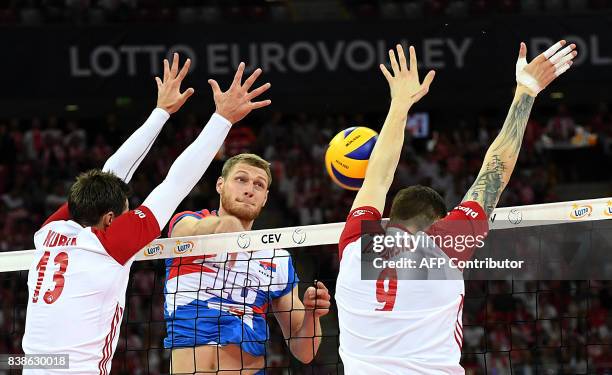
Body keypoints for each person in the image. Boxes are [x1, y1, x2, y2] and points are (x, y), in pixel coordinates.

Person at [335, 41, 577, 374]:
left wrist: (399, 105)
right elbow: (494, 170)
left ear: (390, 220)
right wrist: (527, 90)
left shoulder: (354, 249)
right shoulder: (444, 247)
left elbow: (376, 180)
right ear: (435, 224)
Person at [22, 54, 272, 375]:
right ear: (111, 220)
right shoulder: (111, 245)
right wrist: (222, 119)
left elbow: (109, 176)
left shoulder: (50, 232)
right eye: (125, 212)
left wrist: (161, 113)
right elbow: (175, 184)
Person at [164, 152, 332, 374]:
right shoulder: (190, 224)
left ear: (265, 199)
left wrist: (312, 314)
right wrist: (223, 225)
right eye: (241, 179)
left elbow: (305, 352)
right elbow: (185, 231)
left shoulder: (277, 257)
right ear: (220, 185)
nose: (249, 189)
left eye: (259, 185)